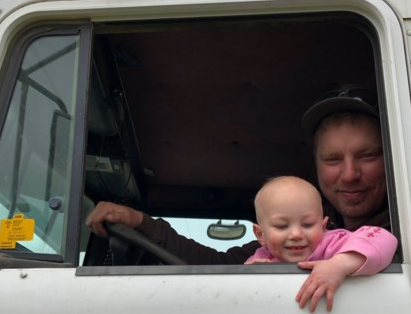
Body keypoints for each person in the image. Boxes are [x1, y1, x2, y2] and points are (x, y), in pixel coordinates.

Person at [85, 87, 392, 285]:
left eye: (367, 156)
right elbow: (215, 266)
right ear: (316, 165)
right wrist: (140, 223)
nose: (350, 174)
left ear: (392, 158)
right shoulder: (290, 241)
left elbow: (381, 243)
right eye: (333, 159)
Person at [244, 176, 397, 311]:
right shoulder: (262, 258)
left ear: (323, 226)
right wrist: (253, 275)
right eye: (282, 226)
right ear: (260, 234)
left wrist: (340, 264)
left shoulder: (332, 243)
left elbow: (384, 239)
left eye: (308, 224)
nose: (296, 234)